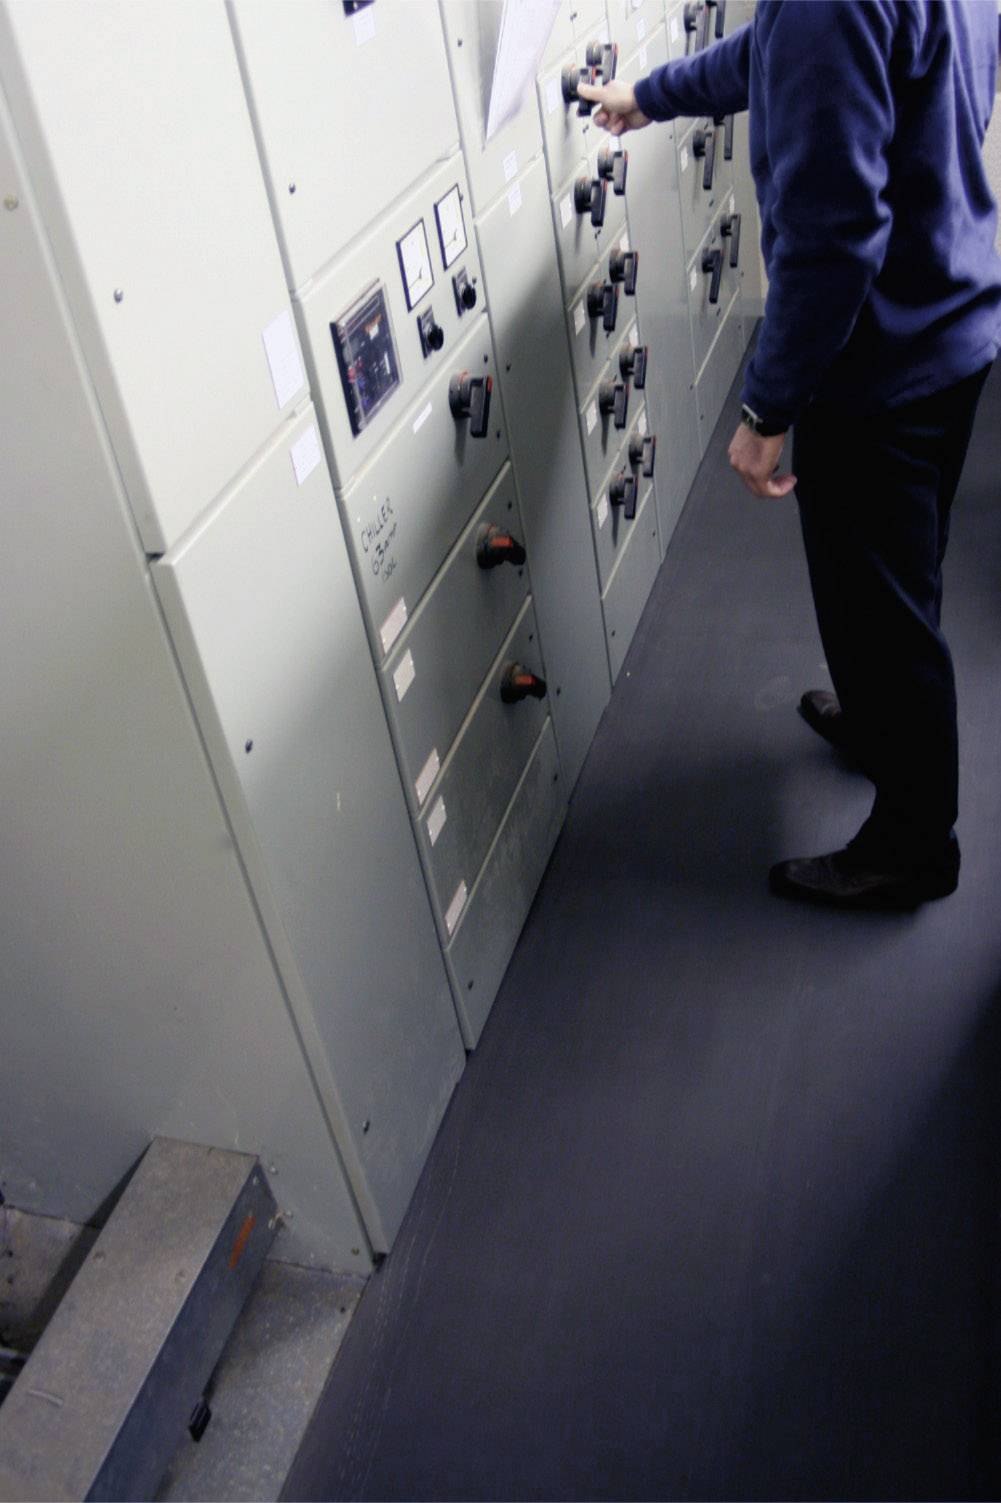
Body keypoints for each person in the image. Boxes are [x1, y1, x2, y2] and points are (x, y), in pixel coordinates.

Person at [580, 0, 1001, 910]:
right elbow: (781, 51)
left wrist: (768, 404)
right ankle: (876, 718)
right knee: (902, 573)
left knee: (878, 612)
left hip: (880, 365)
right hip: (953, 318)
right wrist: (650, 95)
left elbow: (832, 241)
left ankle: (913, 846)